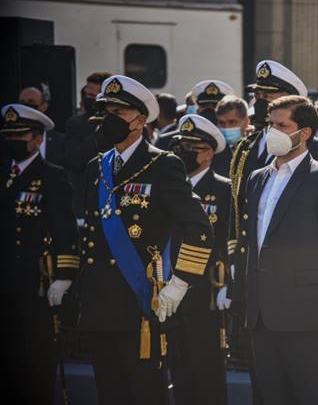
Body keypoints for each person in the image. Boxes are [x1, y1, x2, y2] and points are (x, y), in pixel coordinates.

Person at [77, 75, 215, 405]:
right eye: (107, 111)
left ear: (140, 121)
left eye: (119, 112)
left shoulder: (162, 165)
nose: (110, 118)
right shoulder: (97, 168)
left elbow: (199, 228)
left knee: (145, 392)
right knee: (109, 393)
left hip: (139, 301)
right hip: (99, 302)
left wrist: (180, 282)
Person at [227, 60, 318, 405]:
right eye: (260, 95)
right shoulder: (249, 155)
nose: (262, 102)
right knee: (265, 388)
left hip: (304, 302)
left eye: (271, 95)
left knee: (307, 389)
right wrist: (236, 273)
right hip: (259, 297)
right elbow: (242, 218)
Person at [241, 95, 318, 405]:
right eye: (270, 125)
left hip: (309, 314)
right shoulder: (257, 178)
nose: (272, 132)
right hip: (262, 314)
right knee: (271, 396)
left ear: (304, 132)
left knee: (310, 395)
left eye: (281, 126)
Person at [0, 104, 78, 405]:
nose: (13, 141)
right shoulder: (4, 173)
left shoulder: (51, 177)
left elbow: (65, 230)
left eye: (20, 135)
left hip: (35, 282)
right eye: (9, 135)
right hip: (5, 279)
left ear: (37, 139)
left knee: (35, 357)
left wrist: (64, 275)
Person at [167, 114, 230, 405]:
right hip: (168, 285)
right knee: (178, 365)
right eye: (181, 146)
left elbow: (229, 239)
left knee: (206, 366)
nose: (183, 152)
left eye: (191, 147)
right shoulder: (170, 186)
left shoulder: (224, 189)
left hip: (206, 289)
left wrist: (228, 282)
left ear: (208, 154)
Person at [64, 71, 113, 218]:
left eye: (92, 96)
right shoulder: (76, 123)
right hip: (85, 197)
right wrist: (97, 131)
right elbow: (74, 160)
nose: (87, 99)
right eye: (86, 95)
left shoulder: (120, 122)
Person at [189, 80, 236, 177]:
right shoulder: (180, 139)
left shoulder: (234, 139)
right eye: (204, 106)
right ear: (198, 109)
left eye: (215, 106)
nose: (210, 111)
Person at [18, 87, 66, 167]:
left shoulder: (61, 142)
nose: (26, 106)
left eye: (31, 102)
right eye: (22, 102)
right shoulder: (7, 140)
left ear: (44, 106)